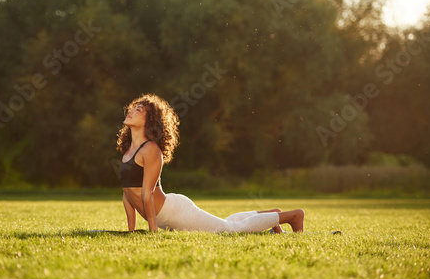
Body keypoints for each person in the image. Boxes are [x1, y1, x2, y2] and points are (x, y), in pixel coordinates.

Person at [116, 93, 305, 233]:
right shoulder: (128, 151)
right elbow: (128, 195)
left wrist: (153, 231)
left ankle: (293, 216)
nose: (131, 111)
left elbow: (147, 193)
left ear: (149, 121)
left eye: (138, 110)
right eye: (132, 108)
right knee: (224, 223)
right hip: (166, 217)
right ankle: (271, 214)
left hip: (174, 212)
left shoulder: (151, 149)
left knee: (230, 230)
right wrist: (131, 231)